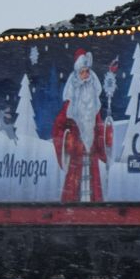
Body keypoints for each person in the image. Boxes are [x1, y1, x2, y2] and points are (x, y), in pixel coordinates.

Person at [54, 49, 113, 203]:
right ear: (77, 76)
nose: (86, 75)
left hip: (91, 154)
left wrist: (106, 137)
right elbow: (58, 128)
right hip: (76, 157)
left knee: (92, 188)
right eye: (82, 72)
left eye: (87, 71)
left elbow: (99, 128)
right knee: (74, 190)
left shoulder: (94, 105)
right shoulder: (70, 105)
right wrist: (67, 141)